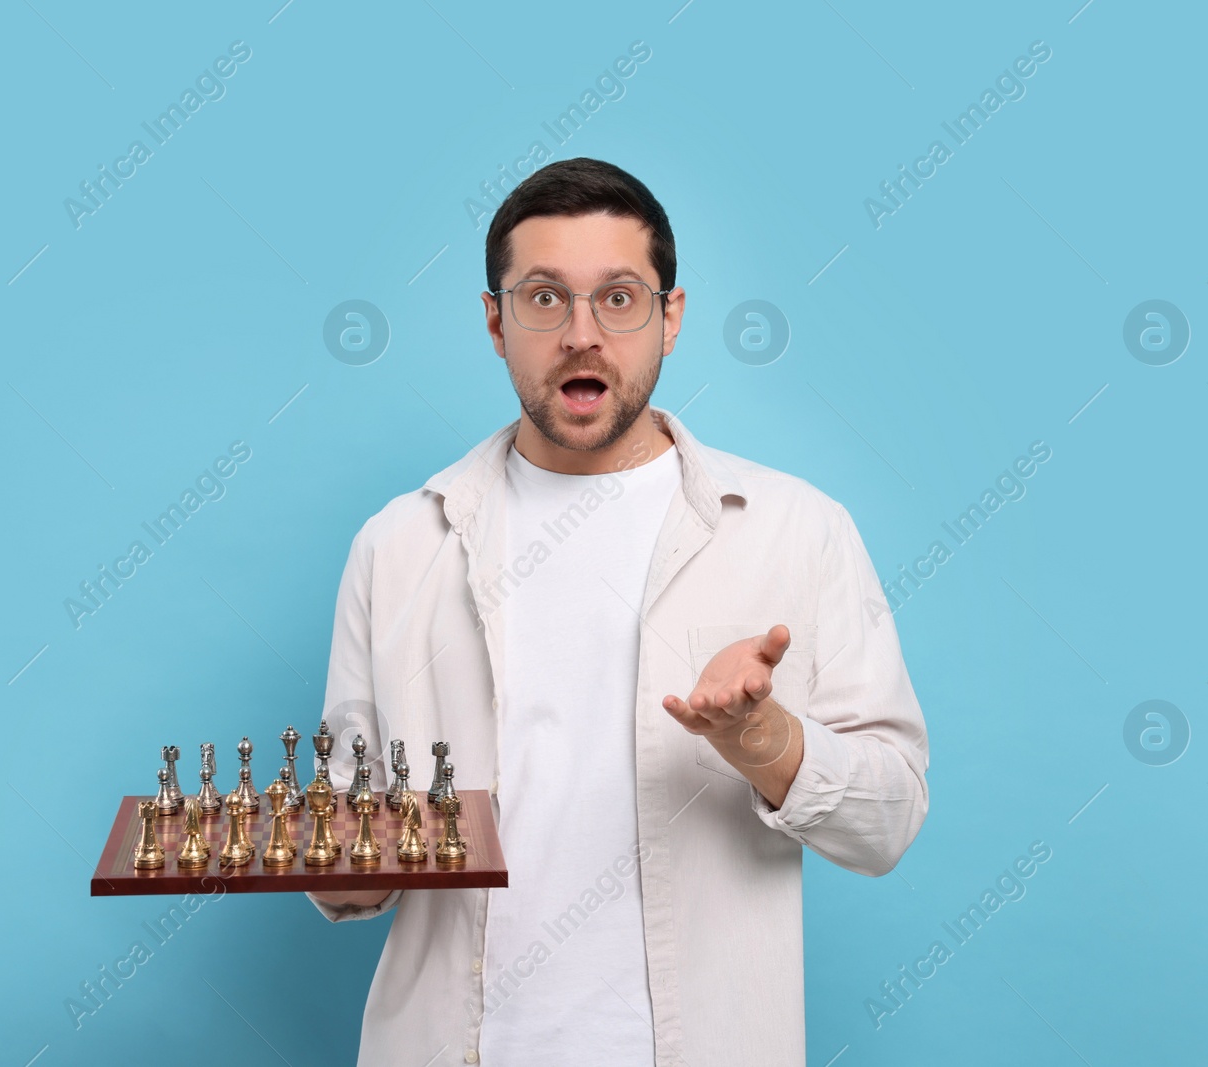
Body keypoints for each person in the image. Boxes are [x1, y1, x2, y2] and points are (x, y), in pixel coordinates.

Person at [308, 157, 929, 1066]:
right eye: (545, 298)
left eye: (622, 298)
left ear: (670, 317)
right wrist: (335, 862)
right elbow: (352, 872)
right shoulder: (398, 545)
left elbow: (890, 822)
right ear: (495, 321)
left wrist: (767, 744)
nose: (583, 335)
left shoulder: (799, 530)